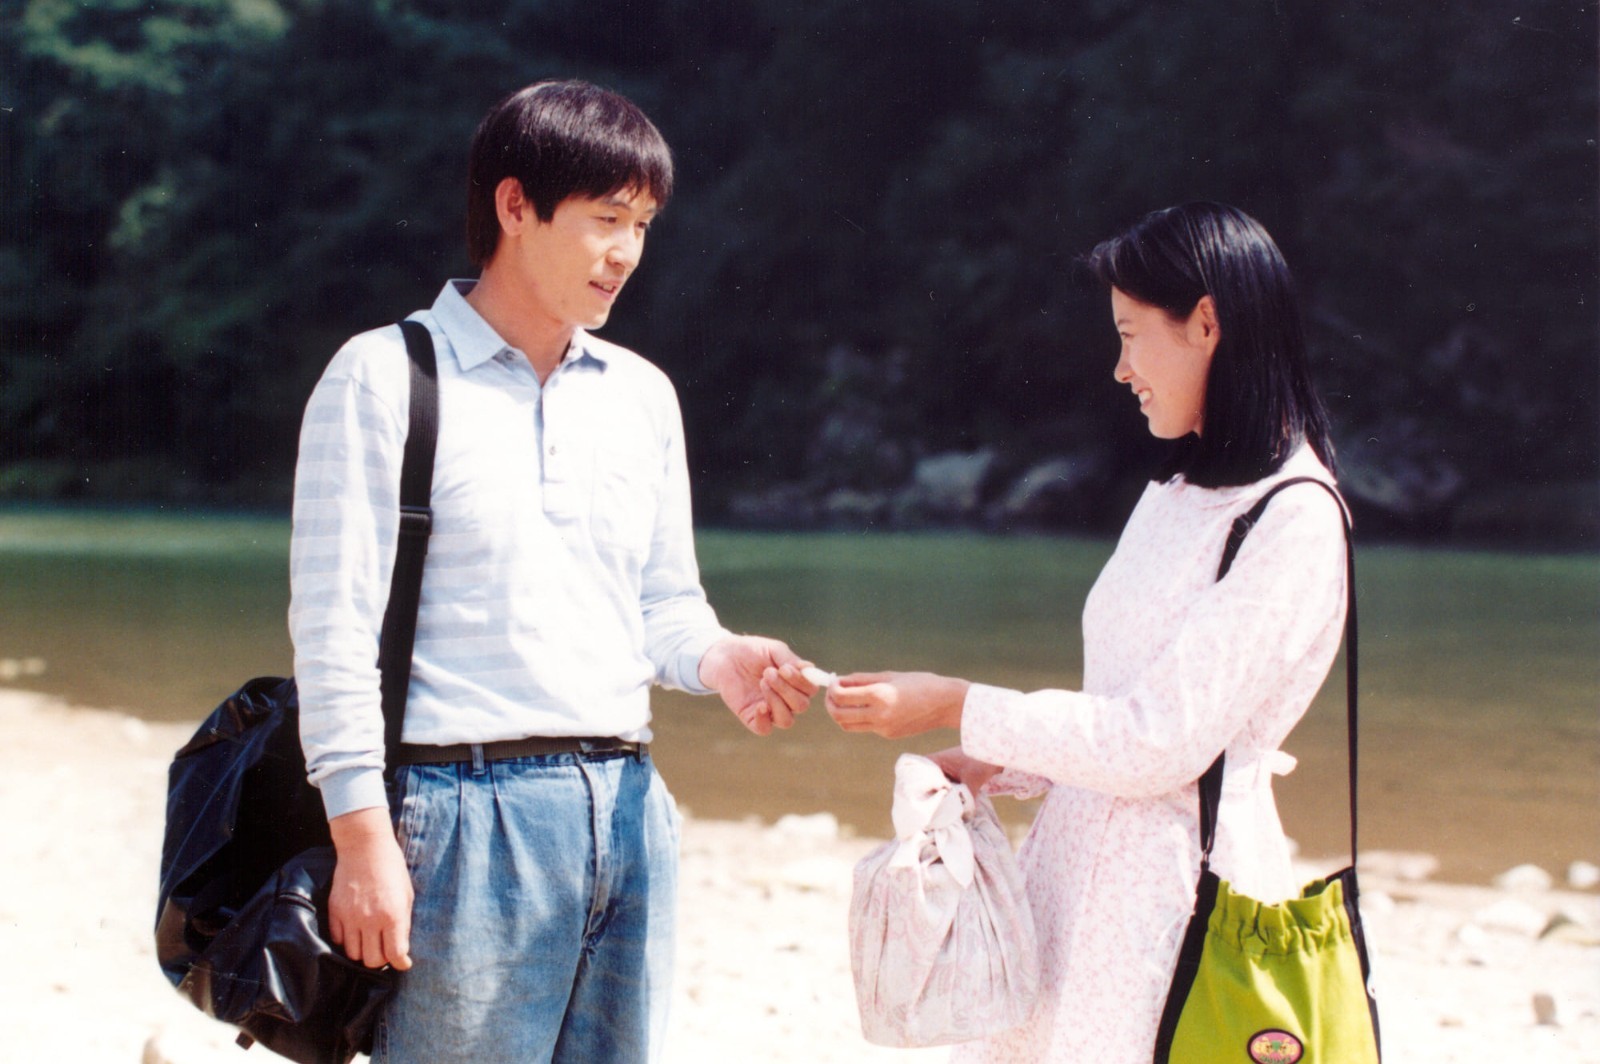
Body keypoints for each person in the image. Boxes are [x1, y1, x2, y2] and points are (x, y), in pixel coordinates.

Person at [288, 80, 819, 1063]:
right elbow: (334, 636)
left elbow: (664, 603)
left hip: (629, 807)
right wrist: (362, 840)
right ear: (514, 205)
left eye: (643, 225)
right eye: (606, 219)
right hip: (458, 813)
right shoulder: (384, 376)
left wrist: (722, 659)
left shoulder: (641, 395)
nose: (627, 252)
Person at [826, 203, 1348, 1062]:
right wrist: (998, 761)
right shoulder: (1176, 493)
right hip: (1072, 879)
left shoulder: (1295, 518)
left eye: (1131, 335)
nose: (1120, 367)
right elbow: (1117, 706)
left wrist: (959, 704)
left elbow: (1159, 743)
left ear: (1207, 323)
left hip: (1176, 902)